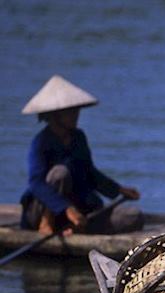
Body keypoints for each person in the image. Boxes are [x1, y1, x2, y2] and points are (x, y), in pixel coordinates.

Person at [19, 75, 142, 235]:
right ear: (55, 115)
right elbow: (36, 183)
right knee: (60, 174)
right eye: (70, 112)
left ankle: (74, 226)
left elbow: (89, 172)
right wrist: (65, 208)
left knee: (133, 217)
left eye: (76, 111)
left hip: (78, 208)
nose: (76, 116)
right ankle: (48, 223)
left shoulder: (78, 137)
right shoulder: (42, 142)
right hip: (43, 210)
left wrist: (119, 189)